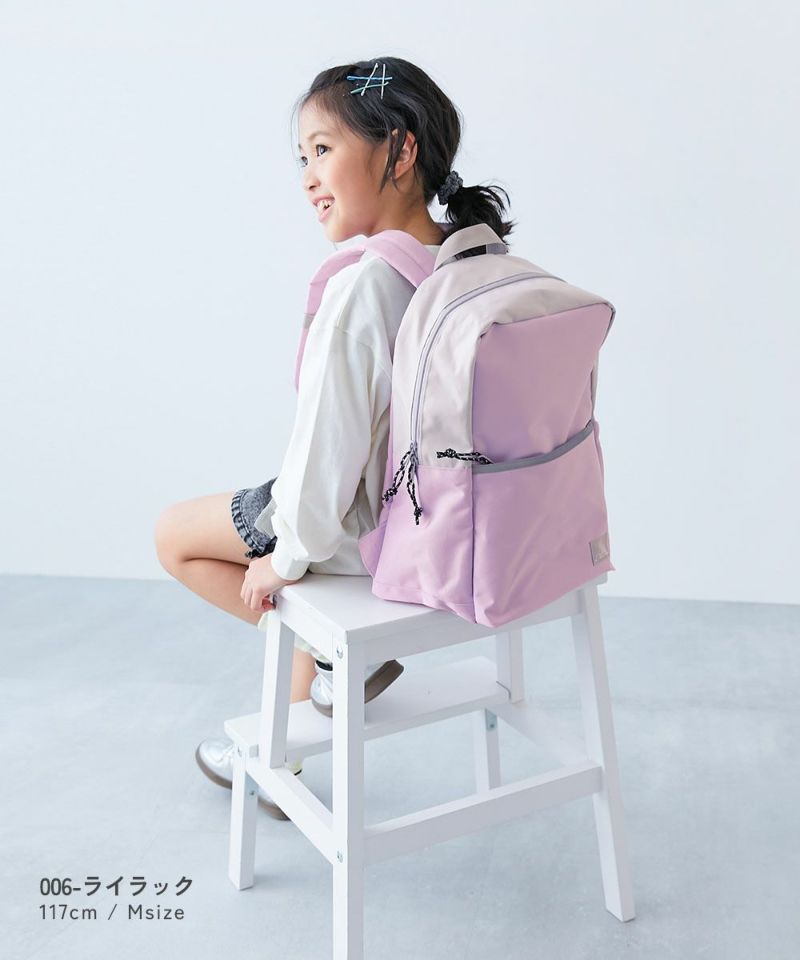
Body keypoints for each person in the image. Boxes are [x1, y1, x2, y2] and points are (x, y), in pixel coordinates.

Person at [154, 56, 515, 819]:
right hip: (456, 524)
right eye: (303, 158)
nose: (309, 178)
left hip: (367, 536)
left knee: (175, 536)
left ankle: (331, 657)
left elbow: (324, 460)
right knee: (293, 543)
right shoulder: (473, 261)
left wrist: (285, 558)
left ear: (400, 150)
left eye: (322, 149)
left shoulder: (366, 286)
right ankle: (281, 747)